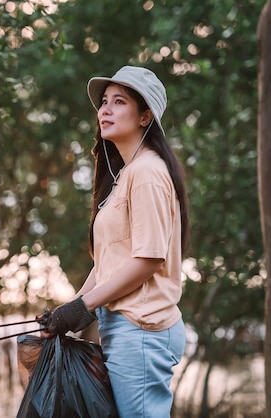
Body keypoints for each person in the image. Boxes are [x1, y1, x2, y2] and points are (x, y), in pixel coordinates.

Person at [42, 65, 190, 417]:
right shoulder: (126, 175)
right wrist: (69, 309)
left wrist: (84, 308)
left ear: (145, 117)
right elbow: (110, 261)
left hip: (141, 329)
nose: (104, 110)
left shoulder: (148, 173)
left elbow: (149, 260)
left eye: (119, 101)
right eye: (104, 102)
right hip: (126, 328)